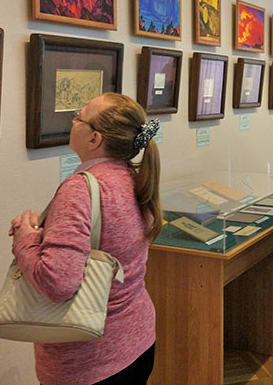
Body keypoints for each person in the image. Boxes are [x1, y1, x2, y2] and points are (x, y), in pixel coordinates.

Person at [9, 92, 162, 384]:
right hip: (137, 341)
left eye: (79, 117)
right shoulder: (133, 179)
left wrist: (24, 240)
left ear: (94, 139)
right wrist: (48, 231)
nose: (73, 120)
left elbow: (58, 283)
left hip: (92, 360)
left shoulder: (80, 189)